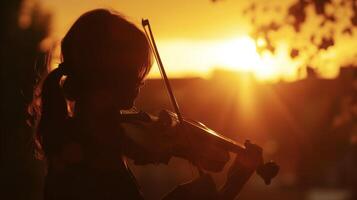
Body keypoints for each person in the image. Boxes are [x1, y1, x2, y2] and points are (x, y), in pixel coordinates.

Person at [36, 9, 263, 200]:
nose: (141, 83)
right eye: (135, 73)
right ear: (110, 74)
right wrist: (187, 195)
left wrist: (230, 186)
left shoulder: (75, 139)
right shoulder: (94, 149)